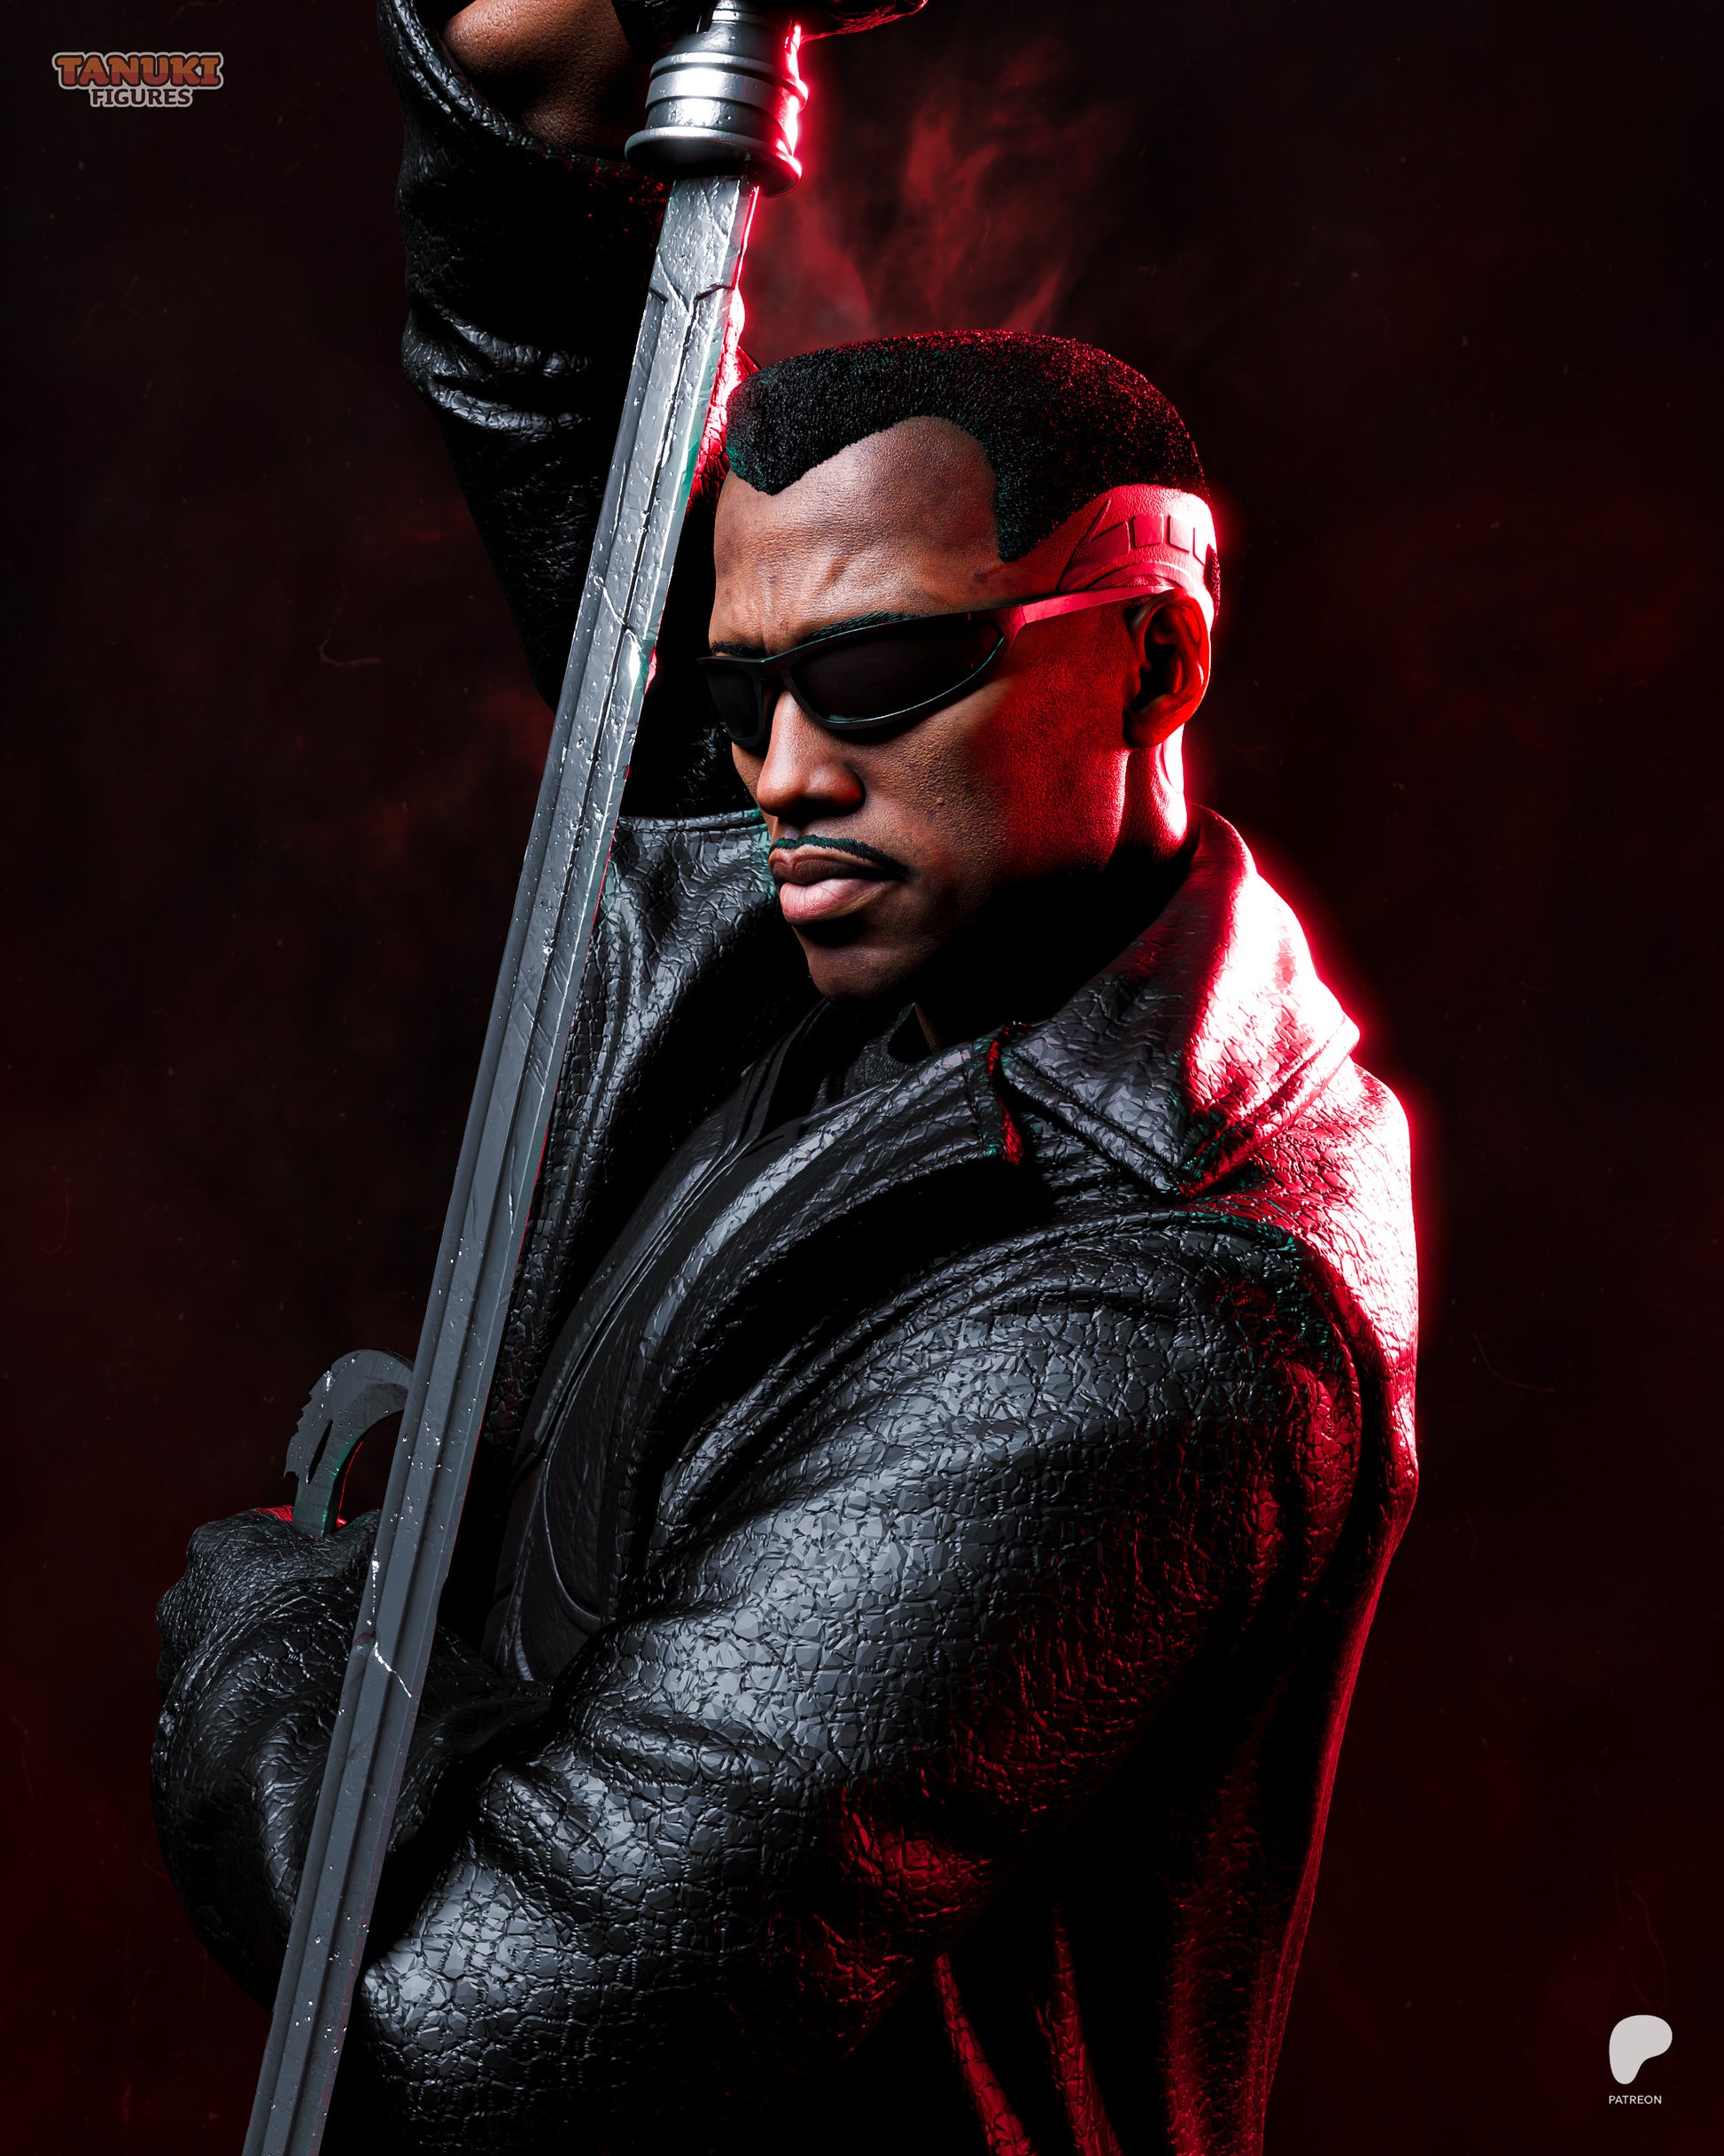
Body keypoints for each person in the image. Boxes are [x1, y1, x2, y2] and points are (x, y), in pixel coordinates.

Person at [151, 4, 1419, 2152]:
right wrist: (532, 79)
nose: (782, 776)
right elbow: (565, 377)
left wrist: (263, 1642)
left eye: (887, 671)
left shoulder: (1167, 1316)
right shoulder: (855, 858)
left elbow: (470, 2011)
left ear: (1155, 656)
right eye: (743, 698)